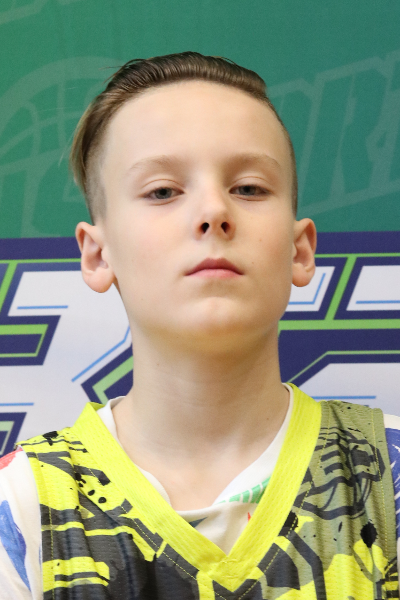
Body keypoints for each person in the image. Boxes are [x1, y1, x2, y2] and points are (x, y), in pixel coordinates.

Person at [0, 52, 399, 600]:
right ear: (97, 254)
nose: (213, 211)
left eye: (249, 188)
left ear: (300, 250)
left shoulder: (389, 475)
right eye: (163, 191)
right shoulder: (24, 503)